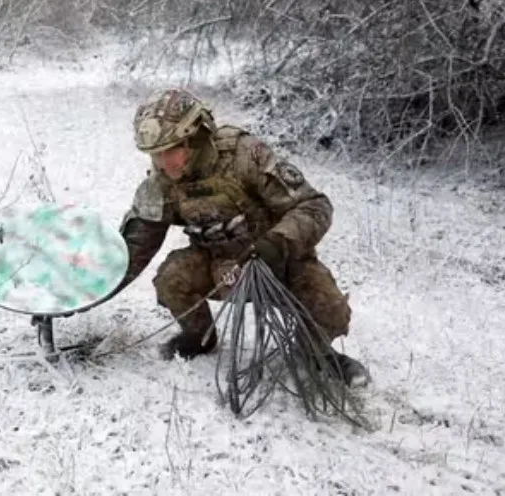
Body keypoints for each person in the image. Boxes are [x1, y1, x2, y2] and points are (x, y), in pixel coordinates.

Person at [115, 88, 369, 387]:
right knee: (172, 278)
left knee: (330, 308)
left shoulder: (245, 156)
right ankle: (199, 338)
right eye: (155, 154)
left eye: (171, 150)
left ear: (195, 138)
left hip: (278, 261)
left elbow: (314, 206)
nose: (163, 163)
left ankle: (316, 354)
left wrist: (277, 243)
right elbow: (133, 249)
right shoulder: (160, 184)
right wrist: (83, 292)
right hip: (218, 266)